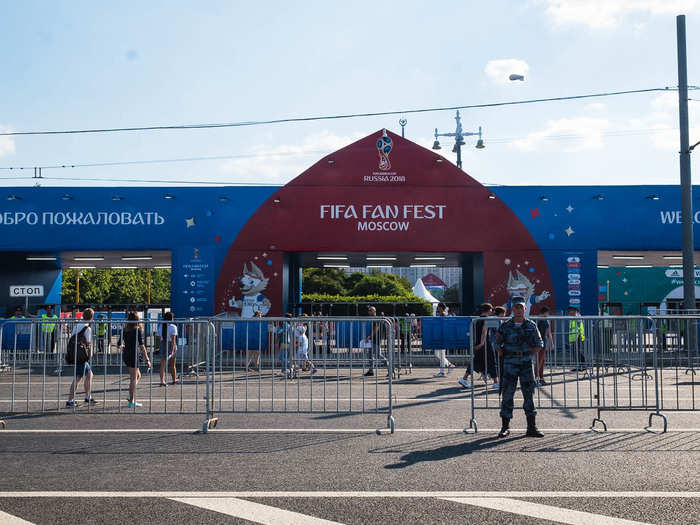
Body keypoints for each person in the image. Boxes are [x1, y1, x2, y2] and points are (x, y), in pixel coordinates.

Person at [494, 296, 544, 438]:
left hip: (526, 364)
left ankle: (531, 427)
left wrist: (526, 354)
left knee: (529, 395)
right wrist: (502, 352)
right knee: (507, 394)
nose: (518, 310)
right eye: (516, 307)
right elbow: (496, 343)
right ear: (512, 309)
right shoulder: (505, 326)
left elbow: (539, 344)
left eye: (521, 307)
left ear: (525, 309)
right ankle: (505, 427)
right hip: (509, 363)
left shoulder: (531, 325)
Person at [66, 308, 97, 408]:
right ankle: (70, 400)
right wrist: (90, 355)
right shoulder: (87, 328)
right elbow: (88, 344)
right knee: (78, 377)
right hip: (82, 356)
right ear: (91, 317)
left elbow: (72, 337)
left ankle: (88, 397)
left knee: (89, 374)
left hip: (76, 353)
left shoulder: (77, 325)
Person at [121, 312, 151, 408]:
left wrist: (123, 346)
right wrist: (147, 359)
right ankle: (131, 400)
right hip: (133, 355)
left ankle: (130, 394)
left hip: (126, 354)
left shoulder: (124, 330)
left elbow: (118, 343)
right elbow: (142, 346)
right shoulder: (137, 330)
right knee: (133, 378)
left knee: (138, 376)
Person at [470, 303, 499, 389]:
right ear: (488, 310)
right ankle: (496, 382)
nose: (492, 311)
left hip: (478, 343)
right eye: (491, 309)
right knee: (492, 361)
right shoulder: (487, 319)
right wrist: (482, 343)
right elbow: (484, 331)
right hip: (485, 343)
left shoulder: (477, 319)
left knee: (476, 361)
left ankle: (464, 378)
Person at [363, 306, 391, 377]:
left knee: (378, 355)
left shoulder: (376, 319)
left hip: (376, 340)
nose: (368, 312)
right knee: (370, 355)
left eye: (370, 310)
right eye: (368, 310)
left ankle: (390, 369)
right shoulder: (374, 319)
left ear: (373, 311)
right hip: (374, 339)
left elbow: (376, 329)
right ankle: (371, 370)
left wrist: (369, 337)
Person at [433, 302, 455, 377]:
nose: (437, 308)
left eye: (438, 307)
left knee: (441, 354)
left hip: (443, 337)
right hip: (440, 336)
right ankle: (449, 364)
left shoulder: (444, 315)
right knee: (437, 354)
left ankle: (442, 372)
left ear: (441, 308)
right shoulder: (440, 315)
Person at [535, 306, 554, 386]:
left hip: (543, 342)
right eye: (547, 313)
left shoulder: (543, 320)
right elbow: (548, 332)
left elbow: (548, 332)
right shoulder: (538, 320)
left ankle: (541, 378)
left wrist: (551, 342)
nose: (548, 315)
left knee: (542, 361)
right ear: (545, 312)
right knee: (539, 361)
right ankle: (536, 378)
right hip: (539, 343)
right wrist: (552, 343)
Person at [159, 311, 178, 386]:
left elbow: (159, 338)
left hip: (163, 343)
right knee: (172, 364)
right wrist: (172, 350)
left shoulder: (161, 326)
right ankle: (174, 379)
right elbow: (173, 340)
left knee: (162, 365)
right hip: (170, 344)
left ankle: (162, 381)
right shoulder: (173, 327)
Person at [568, 305, 586, 371]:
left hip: (578, 336)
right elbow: (571, 329)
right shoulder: (572, 317)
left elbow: (579, 327)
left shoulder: (577, 317)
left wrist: (580, 336)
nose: (569, 312)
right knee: (575, 352)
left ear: (575, 310)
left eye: (571, 310)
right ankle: (579, 366)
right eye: (569, 310)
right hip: (573, 337)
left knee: (577, 352)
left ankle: (583, 365)